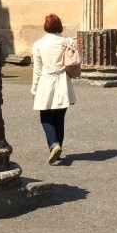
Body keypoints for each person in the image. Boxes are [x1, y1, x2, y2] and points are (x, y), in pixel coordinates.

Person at [31, 13, 78, 164]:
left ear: (46, 27)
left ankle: (54, 145)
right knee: (59, 117)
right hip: (63, 81)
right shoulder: (68, 41)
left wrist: (34, 89)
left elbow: (37, 70)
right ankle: (58, 146)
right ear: (59, 26)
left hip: (46, 80)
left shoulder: (39, 44)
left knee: (45, 116)